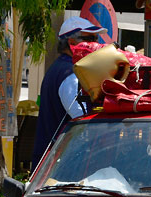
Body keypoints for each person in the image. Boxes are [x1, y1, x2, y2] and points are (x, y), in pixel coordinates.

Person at [31, 17, 105, 170]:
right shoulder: (70, 73)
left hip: (57, 160)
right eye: (90, 39)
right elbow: (82, 118)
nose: (96, 44)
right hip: (60, 164)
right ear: (71, 44)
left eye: (96, 39)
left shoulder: (63, 68)